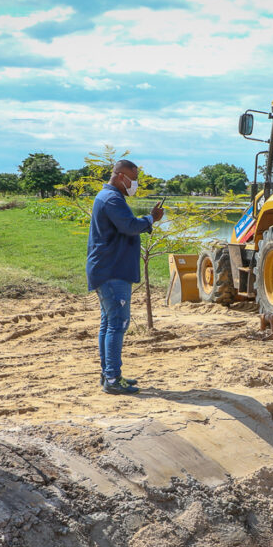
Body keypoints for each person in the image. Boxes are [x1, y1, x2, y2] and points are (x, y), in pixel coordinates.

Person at [85, 159, 163, 395]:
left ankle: (110, 373)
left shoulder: (109, 197)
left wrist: (147, 221)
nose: (135, 183)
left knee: (108, 323)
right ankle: (111, 378)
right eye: (133, 177)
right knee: (117, 324)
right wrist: (151, 219)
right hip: (112, 271)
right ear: (120, 176)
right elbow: (129, 226)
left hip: (108, 268)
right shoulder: (111, 199)